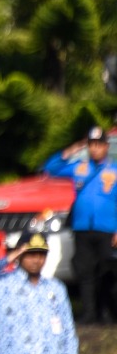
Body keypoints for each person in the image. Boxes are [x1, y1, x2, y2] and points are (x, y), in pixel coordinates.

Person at [43, 126, 117, 323]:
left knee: (107, 271)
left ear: (106, 147)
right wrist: (72, 150)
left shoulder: (114, 170)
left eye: (99, 145)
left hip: (107, 229)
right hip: (82, 228)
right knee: (85, 271)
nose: (95, 149)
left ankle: (108, 312)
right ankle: (89, 313)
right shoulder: (79, 168)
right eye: (91, 145)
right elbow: (50, 168)